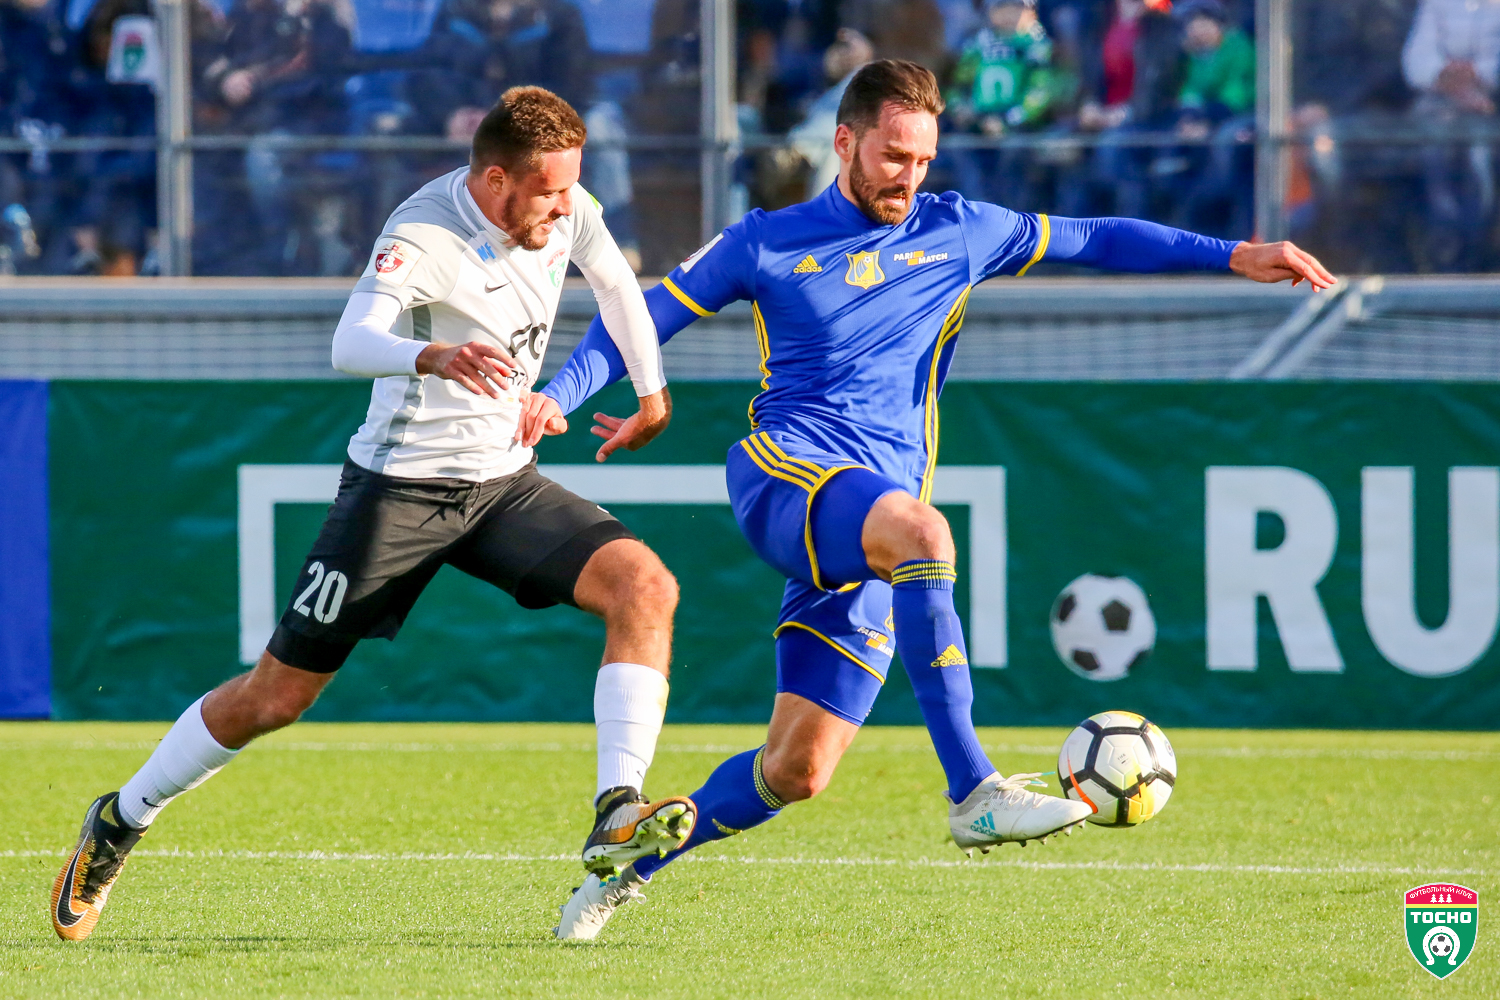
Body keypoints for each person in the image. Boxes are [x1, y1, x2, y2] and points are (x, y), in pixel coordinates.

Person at [532, 59, 1336, 940]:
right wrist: (556, 398)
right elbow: (640, 320)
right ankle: (973, 789)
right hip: (784, 473)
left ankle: (622, 870)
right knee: (925, 531)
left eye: (922, 160)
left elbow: (1098, 236)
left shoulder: (961, 230)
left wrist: (1234, 255)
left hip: (870, 522)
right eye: (892, 156)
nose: (908, 177)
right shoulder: (766, 240)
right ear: (845, 142)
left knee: (796, 769)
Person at [51, 86, 697, 942]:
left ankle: (616, 810)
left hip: (504, 484)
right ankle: (121, 818)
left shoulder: (565, 204)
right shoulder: (424, 233)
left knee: (644, 587)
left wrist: (652, 394)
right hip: (400, 490)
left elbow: (617, 286)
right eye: (548, 192)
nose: (564, 207)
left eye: (569, 189)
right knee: (276, 697)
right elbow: (348, 343)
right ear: (495, 180)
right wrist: (432, 354)